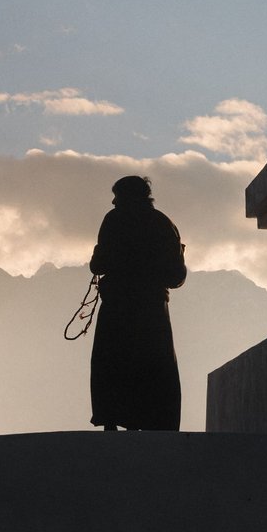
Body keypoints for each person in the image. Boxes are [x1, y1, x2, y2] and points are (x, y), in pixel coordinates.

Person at [87, 174, 187, 431]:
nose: (113, 201)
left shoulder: (114, 220)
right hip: (153, 310)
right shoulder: (163, 224)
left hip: (118, 307)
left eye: (117, 196)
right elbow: (177, 276)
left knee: (113, 362)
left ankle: (111, 421)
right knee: (153, 366)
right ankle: (146, 421)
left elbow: (98, 265)